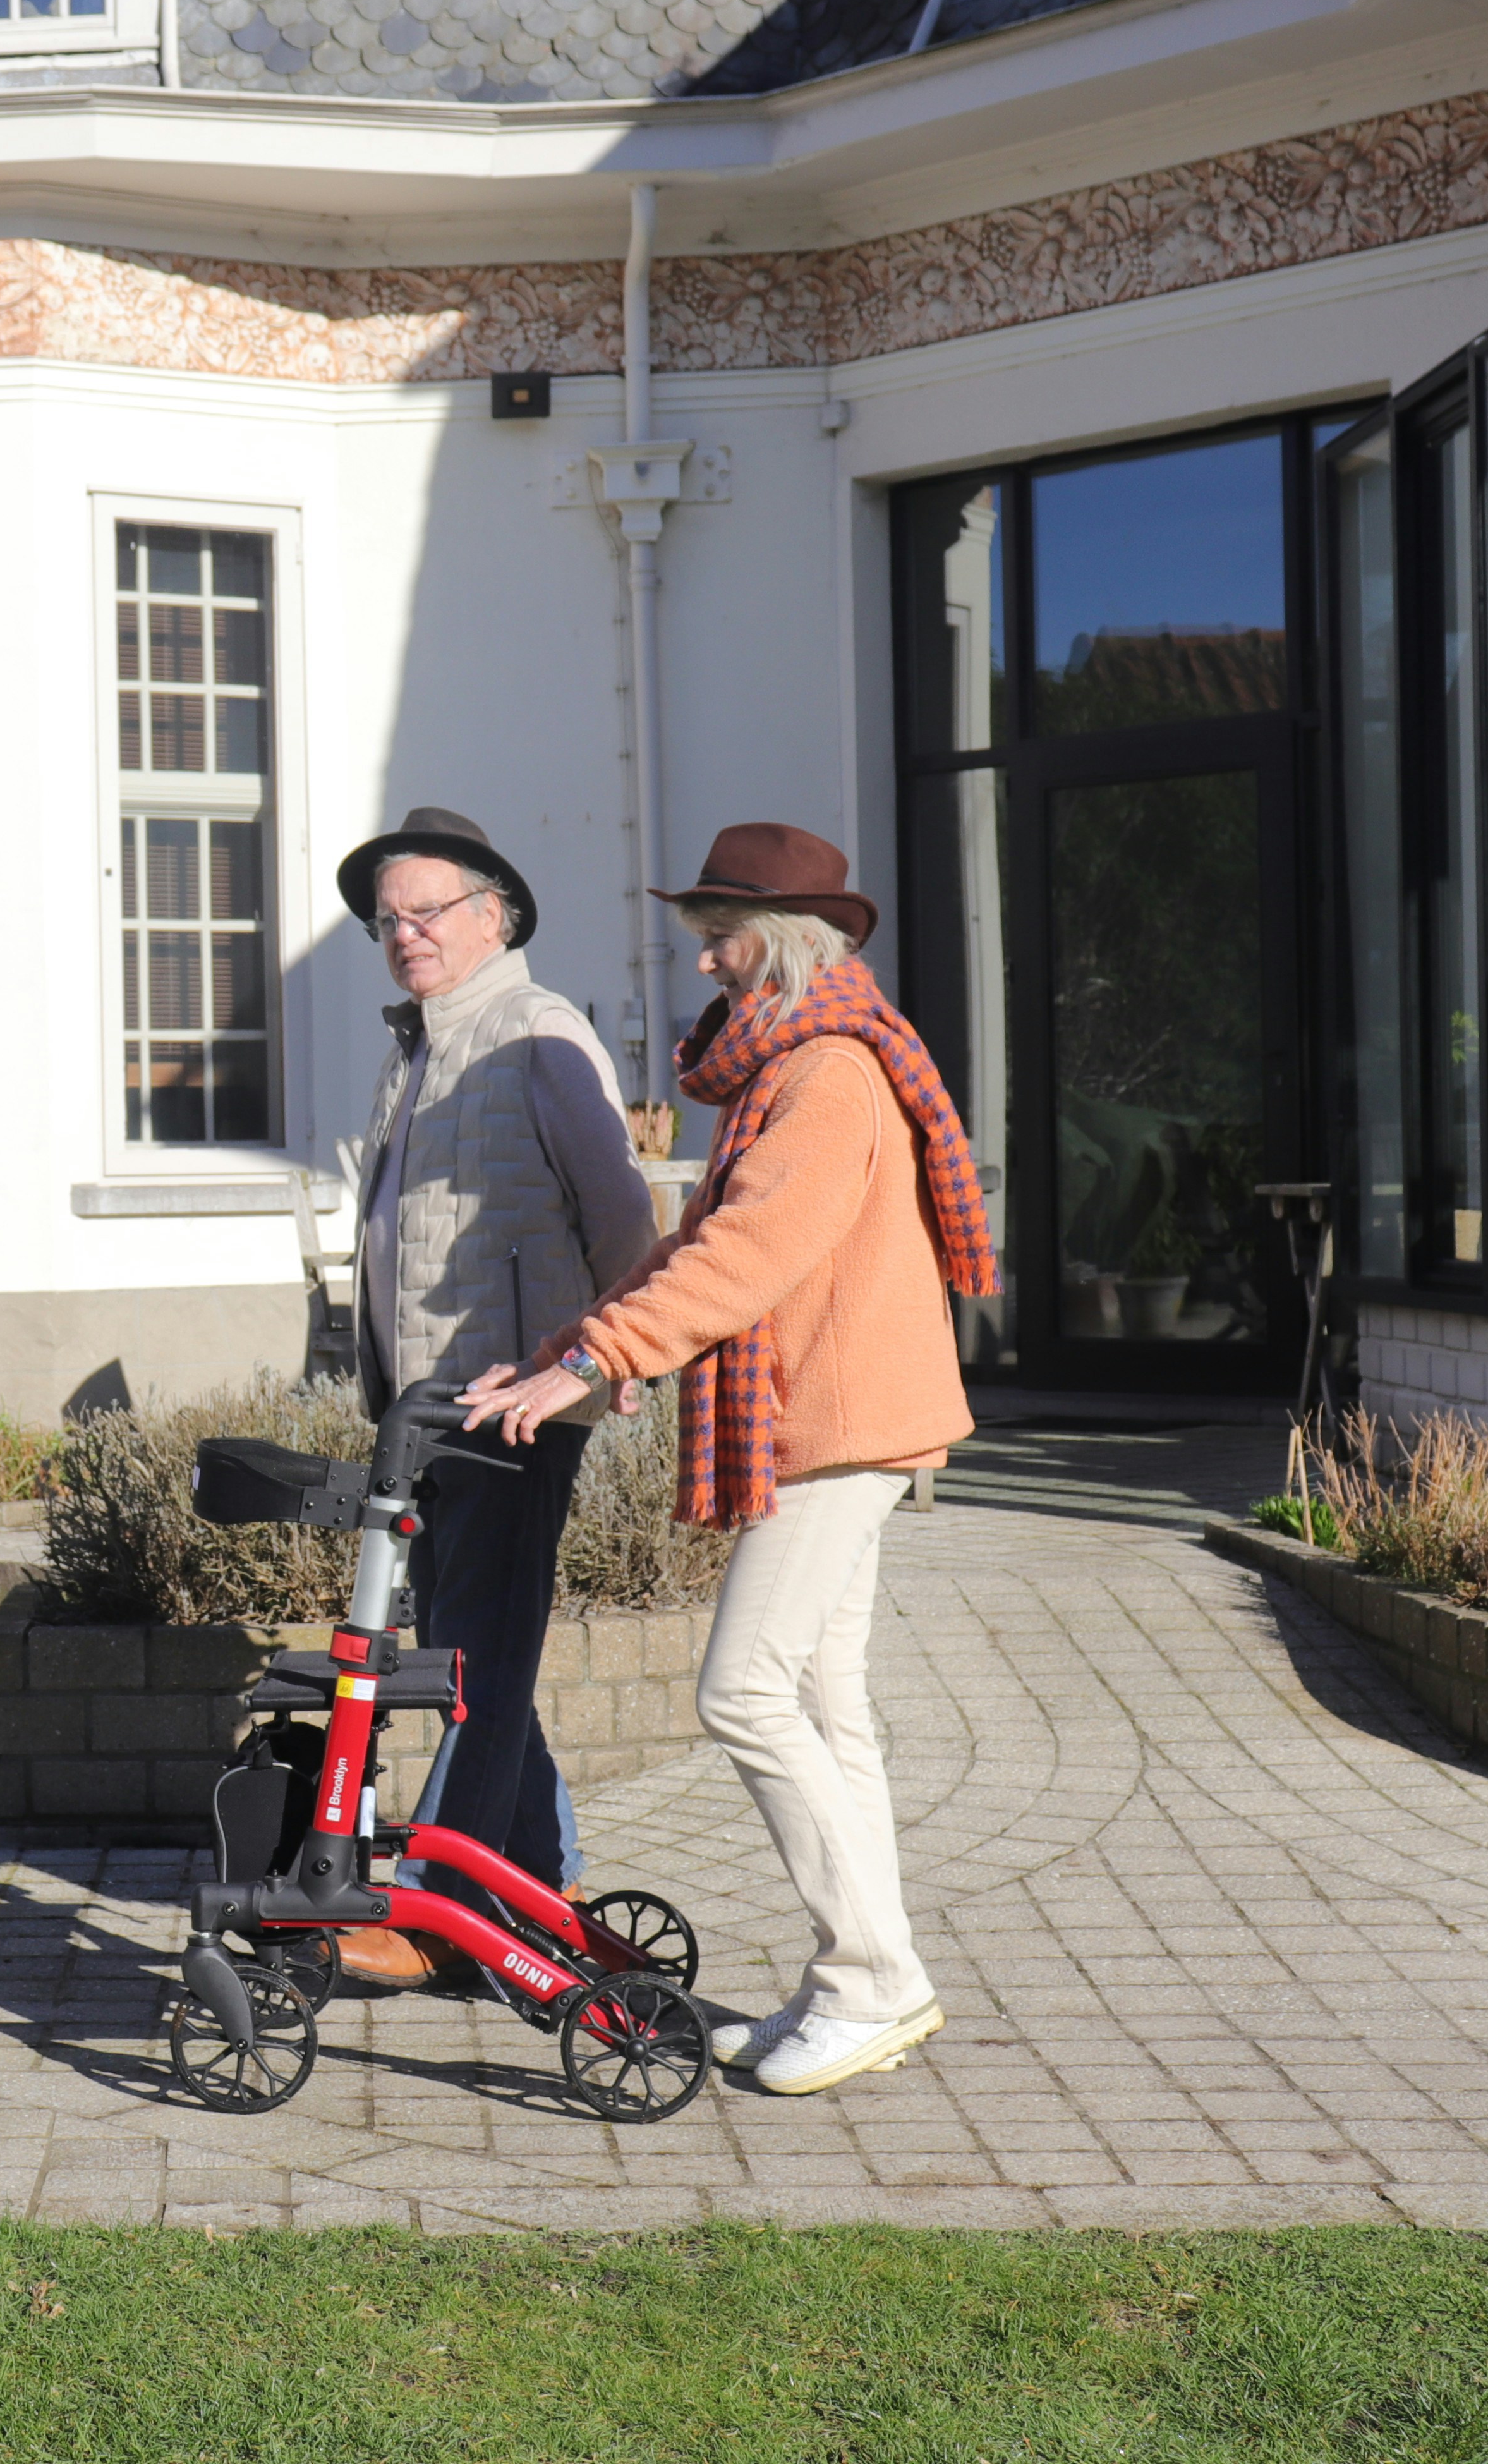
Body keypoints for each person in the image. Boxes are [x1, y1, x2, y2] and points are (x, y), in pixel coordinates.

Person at [459, 821, 996, 2096]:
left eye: (722, 930)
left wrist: (592, 1363)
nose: (702, 955)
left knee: (741, 1693)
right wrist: (569, 1342)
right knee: (821, 1703)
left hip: (842, 1427)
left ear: (796, 940)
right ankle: (856, 1976)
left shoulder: (828, 1078)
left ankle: (876, 1977)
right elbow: (693, 1240)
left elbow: (744, 1255)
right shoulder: (785, 1068)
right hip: (832, 1423)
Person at [324, 808, 658, 1993]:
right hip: (427, 1412)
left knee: (479, 1663)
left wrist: (620, 1356)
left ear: (494, 915)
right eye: (386, 919)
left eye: (426, 911)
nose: (403, 933)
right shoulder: (418, 1044)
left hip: (513, 1406)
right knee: (474, 1654)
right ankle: (537, 1877)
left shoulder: (535, 1031)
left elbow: (620, 1211)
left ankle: (443, 1916)